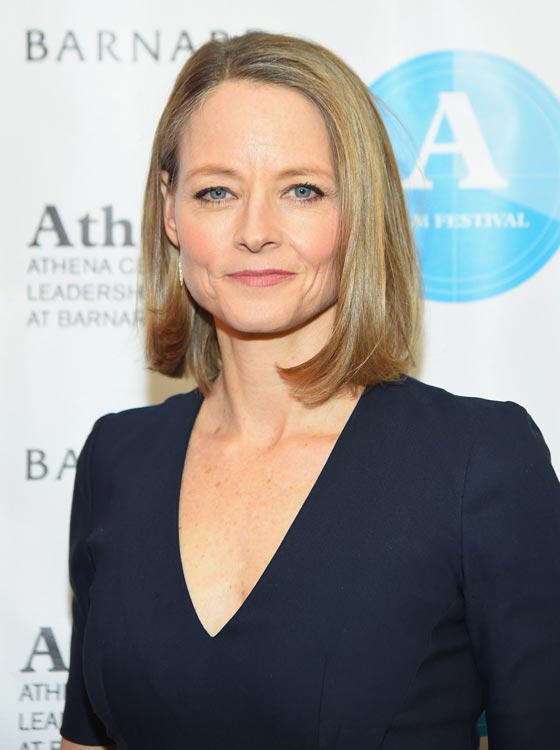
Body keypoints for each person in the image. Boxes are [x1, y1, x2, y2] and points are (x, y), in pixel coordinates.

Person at [60, 31, 560, 750]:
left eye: (302, 190)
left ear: (360, 209)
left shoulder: (480, 464)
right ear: (171, 211)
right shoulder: (117, 457)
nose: (255, 231)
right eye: (216, 191)